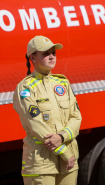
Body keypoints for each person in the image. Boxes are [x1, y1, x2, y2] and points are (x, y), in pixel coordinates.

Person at [13, 36, 82, 185]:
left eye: (53, 53)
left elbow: (76, 117)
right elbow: (36, 125)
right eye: (45, 53)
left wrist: (62, 137)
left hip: (68, 164)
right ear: (32, 57)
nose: (51, 56)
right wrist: (64, 152)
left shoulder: (62, 82)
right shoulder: (25, 88)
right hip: (41, 163)